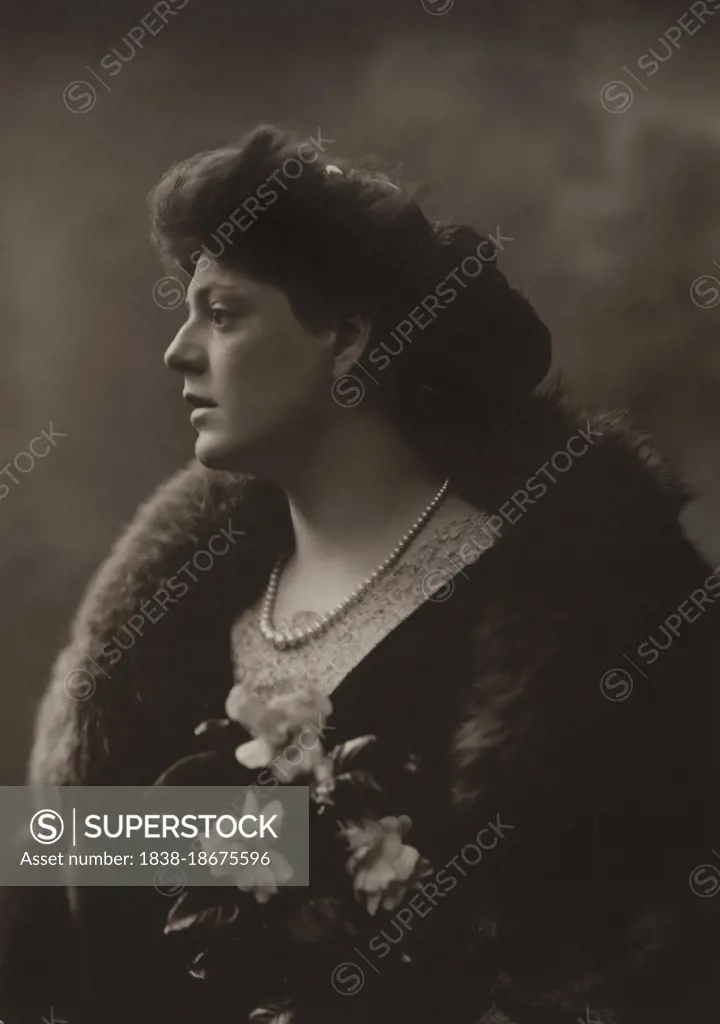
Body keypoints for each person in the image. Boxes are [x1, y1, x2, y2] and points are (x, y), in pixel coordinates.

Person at [5, 124, 720, 1023]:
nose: (177, 351)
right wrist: (278, 840)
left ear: (344, 341)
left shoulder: (585, 622)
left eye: (223, 314)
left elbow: (654, 959)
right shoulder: (169, 633)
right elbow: (69, 935)